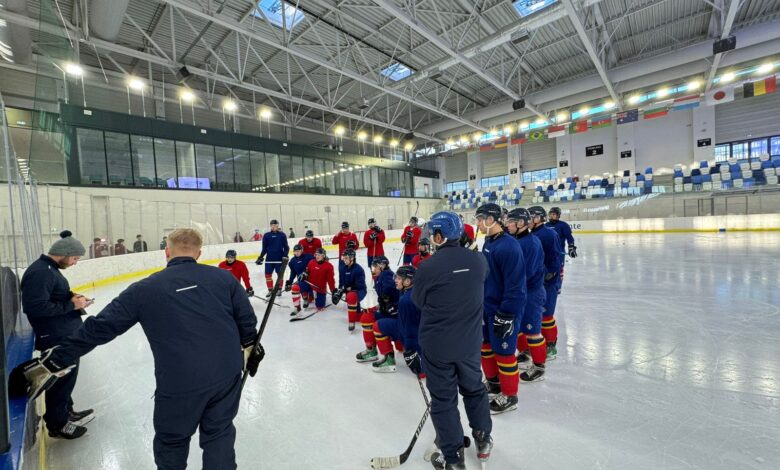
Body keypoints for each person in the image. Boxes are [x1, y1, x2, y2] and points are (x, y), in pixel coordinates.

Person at [18, 229, 262, 468]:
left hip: (181, 381)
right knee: (220, 433)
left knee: (172, 440)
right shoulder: (224, 279)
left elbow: (100, 328)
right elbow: (247, 321)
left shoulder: (145, 289)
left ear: (166, 252)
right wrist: (252, 348)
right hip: (227, 373)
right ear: (199, 254)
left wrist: (55, 360)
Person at [413, 211, 492, 470]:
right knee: (474, 389)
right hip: (469, 342)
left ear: (439, 236)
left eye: (432, 234)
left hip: (438, 346)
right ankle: (483, 438)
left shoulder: (427, 267)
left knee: (444, 400)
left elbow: (418, 301)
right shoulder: (478, 260)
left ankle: (453, 458)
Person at [20, 231, 95, 439]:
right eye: (75, 258)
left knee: (66, 378)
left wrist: (74, 299)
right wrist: (71, 305)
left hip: (63, 333)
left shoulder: (50, 269)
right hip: (56, 336)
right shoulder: (41, 272)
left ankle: (66, 412)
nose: (75, 263)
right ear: (64, 253)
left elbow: (54, 296)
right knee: (61, 381)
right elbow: (35, 307)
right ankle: (58, 424)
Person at [474, 203, 526, 414]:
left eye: (479, 219)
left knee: (504, 353)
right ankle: (494, 383)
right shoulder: (488, 241)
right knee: (485, 347)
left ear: (491, 219)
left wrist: (507, 314)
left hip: (504, 310)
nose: (477, 223)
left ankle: (510, 395)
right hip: (487, 306)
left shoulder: (509, 246)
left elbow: (516, 286)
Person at [505, 208, 547, 382]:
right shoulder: (516, 240)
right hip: (521, 292)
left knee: (533, 331)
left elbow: (526, 273)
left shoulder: (531, 243)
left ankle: (539, 367)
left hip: (531, 294)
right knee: (521, 327)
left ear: (521, 223)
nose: (507, 224)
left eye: (510, 221)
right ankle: (525, 353)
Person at [371, 265, 422, 375]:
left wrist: (411, 351)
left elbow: (409, 330)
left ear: (407, 281)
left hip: (412, 335)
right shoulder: (412, 290)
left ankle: (389, 362)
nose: (395, 280)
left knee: (377, 325)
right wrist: (396, 308)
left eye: (398, 278)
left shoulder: (406, 300)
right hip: (420, 333)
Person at [528, 206, 562, 360]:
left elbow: (555, 259)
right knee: (537, 315)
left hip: (548, 281)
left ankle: (550, 346)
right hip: (536, 281)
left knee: (547, 315)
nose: (529, 220)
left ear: (540, 218)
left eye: (532, 217)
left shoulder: (549, 234)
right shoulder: (531, 234)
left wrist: (547, 276)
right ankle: (539, 344)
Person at [355, 256, 399, 364]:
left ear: (381, 266)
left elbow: (389, 293)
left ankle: (388, 357)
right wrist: (378, 306)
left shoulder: (387, 275)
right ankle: (371, 350)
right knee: (366, 317)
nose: (373, 269)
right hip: (387, 311)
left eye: (375, 267)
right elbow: (384, 299)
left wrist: (387, 301)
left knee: (376, 324)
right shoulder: (380, 276)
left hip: (395, 314)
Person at [332, 248, 367, 332]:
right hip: (349, 291)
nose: (344, 260)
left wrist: (348, 288)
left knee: (351, 296)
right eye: (343, 258)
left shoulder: (358, 269)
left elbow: (360, 285)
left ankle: (351, 322)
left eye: (346, 258)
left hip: (360, 291)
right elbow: (341, 283)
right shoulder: (342, 268)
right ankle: (364, 313)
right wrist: (339, 292)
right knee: (356, 315)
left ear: (352, 258)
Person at [255, 219, 289, 298]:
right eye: (272, 225)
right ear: (270, 226)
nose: (274, 227)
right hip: (269, 260)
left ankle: (279, 289)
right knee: (268, 275)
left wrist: (285, 255)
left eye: (275, 225)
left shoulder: (282, 235)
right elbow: (264, 248)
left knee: (280, 275)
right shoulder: (266, 235)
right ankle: (270, 290)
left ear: (277, 226)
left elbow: (286, 247)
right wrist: (260, 257)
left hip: (279, 259)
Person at [546, 206, 577, 291]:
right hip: (547, 251)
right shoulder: (546, 225)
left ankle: (558, 286)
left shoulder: (563, 225)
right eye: (550, 214)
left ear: (558, 215)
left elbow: (569, 237)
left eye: (554, 214)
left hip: (559, 252)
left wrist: (571, 247)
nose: (551, 216)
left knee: (559, 269)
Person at [284, 244, 315, 318]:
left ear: (302, 251)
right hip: (301, 281)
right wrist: (290, 281)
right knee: (295, 287)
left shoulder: (308, 257)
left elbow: (317, 263)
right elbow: (293, 272)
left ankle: (311, 296)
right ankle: (297, 307)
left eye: (299, 251)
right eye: (295, 251)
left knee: (316, 300)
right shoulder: (292, 261)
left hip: (312, 280)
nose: (297, 252)